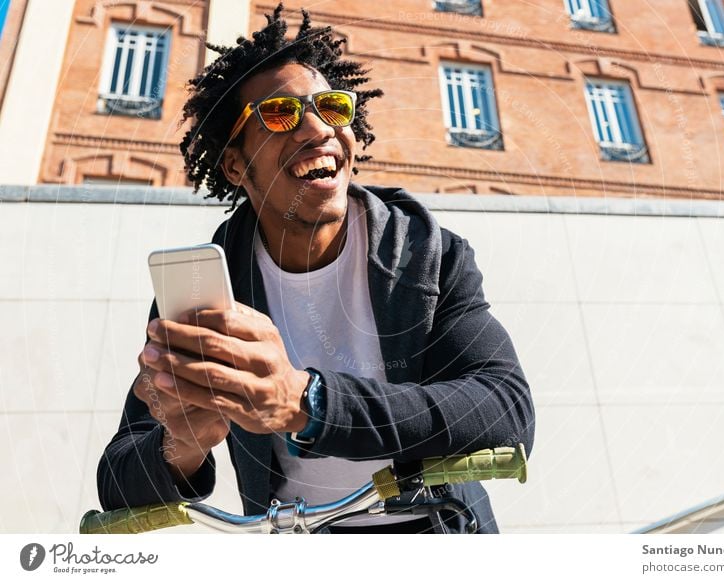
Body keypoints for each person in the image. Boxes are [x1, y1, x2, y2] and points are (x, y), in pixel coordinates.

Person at [96, 3, 534, 533]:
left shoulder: (429, 254)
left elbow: (505, 409)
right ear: (236, 165)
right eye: (280, 114)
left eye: (332, 107)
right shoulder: (206, 289)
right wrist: (180, 444)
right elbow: (116, 483)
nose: (317, 128)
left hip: (436, 531)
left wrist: (308, 403)